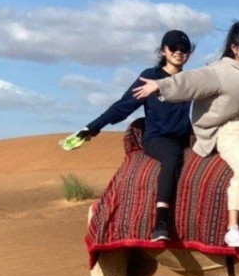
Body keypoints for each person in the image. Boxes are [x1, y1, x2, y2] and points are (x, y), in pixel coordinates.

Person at [133, 21, 239, 249]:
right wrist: (160, 85)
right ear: (234, 48)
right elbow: (190, 81)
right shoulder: (218, 72)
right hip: (227, 131)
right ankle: (233, 228)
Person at [66, 29, 195, 241]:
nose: (179, 52)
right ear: (163, 50)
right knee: (172, 157)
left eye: (184, 49)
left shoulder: (190, 79)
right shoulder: (150, 77)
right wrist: (93, 127)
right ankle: (161, 221)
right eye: (173, 48)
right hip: (159, 139)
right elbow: (123, 106)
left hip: (186, 138)